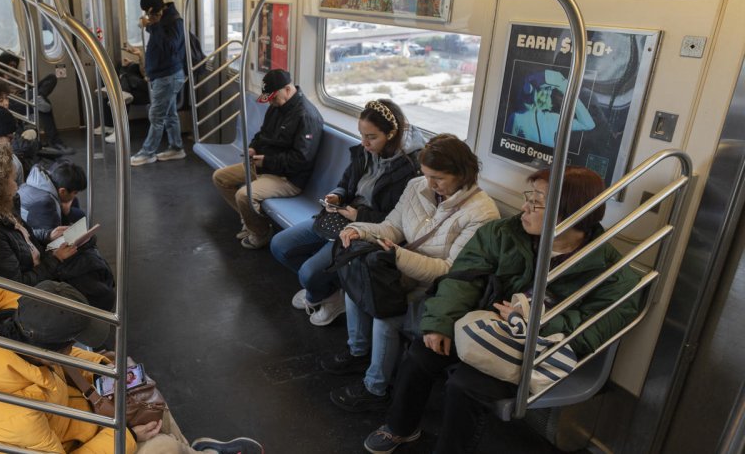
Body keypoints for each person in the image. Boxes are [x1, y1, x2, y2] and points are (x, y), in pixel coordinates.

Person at [363, 166, 641, 454]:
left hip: (530, 350)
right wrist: (439, 322)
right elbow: (463, 279)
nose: (524, 207)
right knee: (422, 353)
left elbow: (595, 330)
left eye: (536, 201)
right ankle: (399, 427)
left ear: (571, 212)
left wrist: (536, 322)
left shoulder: (612, 273)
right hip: (482, 328)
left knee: (465, 386)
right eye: (528, 197)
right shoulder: (502, 234)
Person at [0, 282, 265, 454]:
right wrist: (126, 436)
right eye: (70, 344)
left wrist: (106, 368)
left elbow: (61, 367)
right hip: (71, 442)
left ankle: (193, 449)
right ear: (49, 352)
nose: (73, 349)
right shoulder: (11, 414)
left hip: (73, 420)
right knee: (159, 444)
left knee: (142, 395)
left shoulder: (14, 336)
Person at [323, 134, 499, 413]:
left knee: (386, 316)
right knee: (355, 285)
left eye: (438, 178)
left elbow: (449, 272)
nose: (431, 184)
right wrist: (362, 230)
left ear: (462, 174)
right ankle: (358, 352)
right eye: (427, 175)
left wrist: (397, 255)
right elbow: (393, 227)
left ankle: (375, 387)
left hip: (436, 288)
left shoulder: (482, 213)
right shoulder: (417, 186)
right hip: (402, 271)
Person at [270, 99, 423, 325]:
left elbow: (399, 222)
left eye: (371, 137)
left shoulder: (410, 168)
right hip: (344, 214)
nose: (364, 143)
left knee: (308, 274)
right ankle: (330, 292)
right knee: (280, 245)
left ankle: (324, 295)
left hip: (368, 228)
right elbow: (346, 182)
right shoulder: (365, 151)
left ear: (391, 134)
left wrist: (359, 217)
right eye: (361, 135)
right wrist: (338, 195)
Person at [0, 143, 116, 311]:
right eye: (12, 180)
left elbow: (21, 236)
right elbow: (17, 286)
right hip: (35, 286)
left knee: (88, 248)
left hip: (41, 263)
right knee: (102, 293)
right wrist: (56, 259)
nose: (17, 186)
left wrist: (48, 235)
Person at [211, 69, 324, 249]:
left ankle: (261, 232)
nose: (270, 101)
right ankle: (250, 221)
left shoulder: (307, 116)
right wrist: (253, 147)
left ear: (287, 89)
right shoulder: (276, 107)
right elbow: (263, 134)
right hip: (264, 166)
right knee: (220, 178)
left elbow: (301, 159)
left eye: (273, 97)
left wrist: (267, 161)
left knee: (244, 195)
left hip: (287, 178)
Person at [130, 0, 188, 166]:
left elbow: (170, 48)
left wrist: (152, 26)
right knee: (170, 114)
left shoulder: (174, 21)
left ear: (151, 9)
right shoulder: (162, 19)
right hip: (162, 75)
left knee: (156, 115)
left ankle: (148, 152)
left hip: (168, 76)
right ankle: (176, 148)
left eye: (148, 12)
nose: (148, 16)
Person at [507, 69, 595, 147]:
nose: (548, 93)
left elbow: (588, 125)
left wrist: (568, 92)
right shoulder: (516, 117)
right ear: (530, 90)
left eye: (550, 89)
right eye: (545, 89)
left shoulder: (552, 119)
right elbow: (508, 146)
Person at [20, 159, 88, 236]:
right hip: (36, 239)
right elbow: (54, 239)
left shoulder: (42, 179)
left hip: (35, 223)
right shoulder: (46, 204)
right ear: (62, 191)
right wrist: (65, 215)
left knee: (74, 202)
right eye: (75, 192)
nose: (75, 195)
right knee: (80, 215)